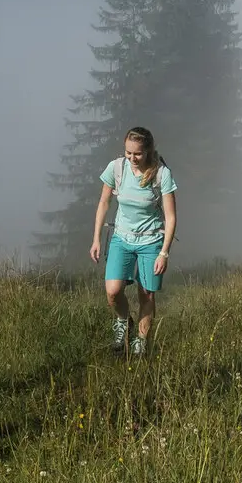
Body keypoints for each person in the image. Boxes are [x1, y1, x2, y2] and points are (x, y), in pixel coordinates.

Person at [88, 126, 177, 356]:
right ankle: (123, 321)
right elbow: (104, 203)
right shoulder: (117, 168)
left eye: (137, 153)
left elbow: (170, 217)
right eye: (128, 152)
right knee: (112, 291)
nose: (132, 158)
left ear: (148, 151)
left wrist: (164, 252)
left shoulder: (161, 174)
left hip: (151, 241)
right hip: (121, 237)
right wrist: (96, 239)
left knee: (146, 293)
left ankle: (141, 342)